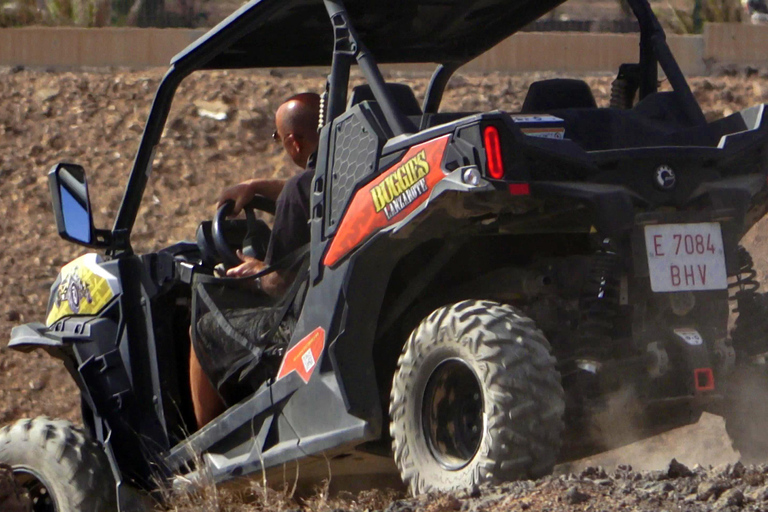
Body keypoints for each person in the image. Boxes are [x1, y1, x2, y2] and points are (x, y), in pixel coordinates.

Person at [189, 92, 320, 429]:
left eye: (278, 138)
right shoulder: (345, 176)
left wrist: (257, 271)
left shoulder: (299, 193)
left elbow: (277, 286)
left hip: (298, 326)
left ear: (293, 142)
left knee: (203, 327)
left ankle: (206, 449)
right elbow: (308, 185)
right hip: (330, 308)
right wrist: (256, 186)